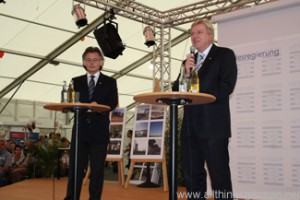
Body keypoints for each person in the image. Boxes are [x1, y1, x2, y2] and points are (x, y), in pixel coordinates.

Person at [172, 19, 237, 200]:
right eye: (192, 33)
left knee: (219, 176)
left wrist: (201, 95)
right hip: (189, 127)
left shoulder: (224, 55)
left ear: (210, 35)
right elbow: (177, 90)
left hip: (213, 127)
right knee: (192, 176)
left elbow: (226, 86)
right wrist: (186, 72)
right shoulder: (187, 62)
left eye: (199, 32)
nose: (194, 37)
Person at [64, 46, 118, 200]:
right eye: (88, 59)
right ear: (83, 62)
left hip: (99, 133)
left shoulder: (110, 82)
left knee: (97, 171)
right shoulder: (76, 81)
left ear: (101, 62)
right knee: (75, 169)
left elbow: (113, 103)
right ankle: (71, 197)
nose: (92, 62)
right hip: (80, 132)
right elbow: (70, 103)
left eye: (95, 59)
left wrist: (97, 107)